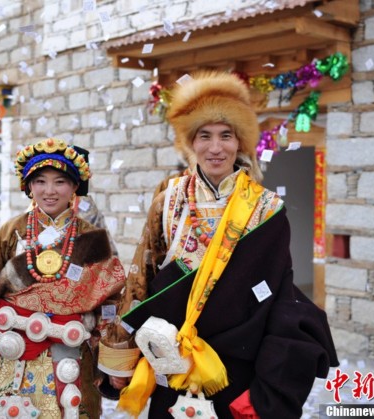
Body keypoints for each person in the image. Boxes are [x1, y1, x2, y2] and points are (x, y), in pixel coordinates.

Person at [98, 71, 339, 419]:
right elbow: (141, 277)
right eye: (204, 136)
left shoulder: (265, 208)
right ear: (190, 142)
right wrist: (120, 354)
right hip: (171, 357)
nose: (215, 148)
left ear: (240, 142)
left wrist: (272, 380)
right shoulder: (169, 200)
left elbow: (277, 292)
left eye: (226, 135)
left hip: (237, 364)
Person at [0, 138, 126, 418]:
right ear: (28, 186)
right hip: (10, 355)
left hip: (71, 357)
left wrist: (113, 364)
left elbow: (111, 305)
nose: (49, 191)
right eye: (40, 181)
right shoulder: (10, 233)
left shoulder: (93, 238)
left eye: (60, 182)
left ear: (75, 186)